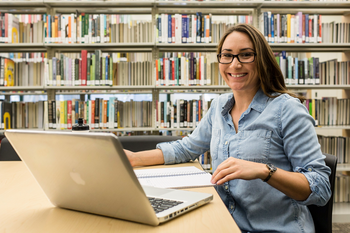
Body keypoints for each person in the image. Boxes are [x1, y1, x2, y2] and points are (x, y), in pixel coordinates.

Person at [125, 23, 331, 232]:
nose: (235, 64)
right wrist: (134, 159)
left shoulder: (287, 110)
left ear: (262, 60)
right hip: (224, 222)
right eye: (227, 55)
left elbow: (320, 187)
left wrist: (264, 171)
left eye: (246, 55)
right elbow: (186, 148)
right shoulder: (218, 106)